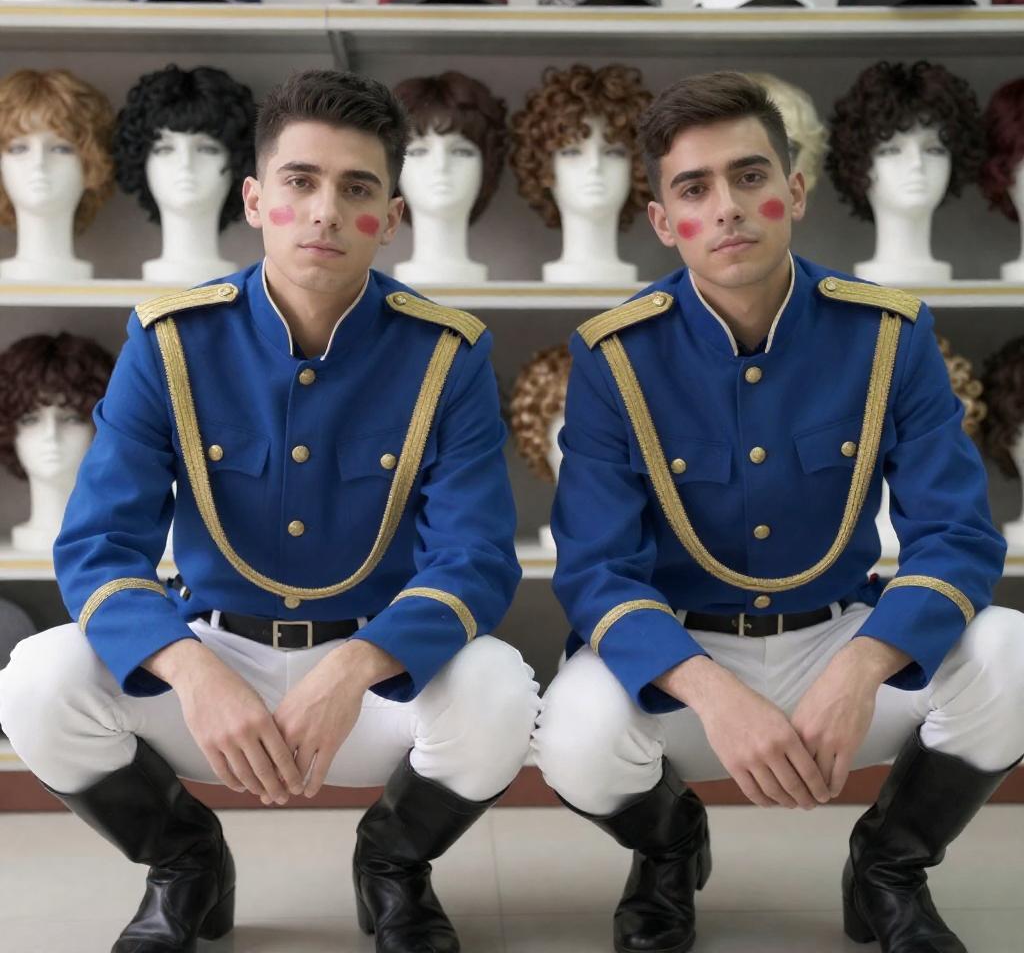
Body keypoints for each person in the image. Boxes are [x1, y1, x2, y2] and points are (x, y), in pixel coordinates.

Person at [0, 68, 540, 953]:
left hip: (374, 683)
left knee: (499, 689)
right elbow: (99, 545)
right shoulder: (171, 343)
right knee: (36, 679)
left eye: (356, 189)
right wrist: (190, 670)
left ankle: (394, 866)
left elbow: (475, 559)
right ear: (255, 200)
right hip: (215, 666)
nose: (325, 211)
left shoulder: (448, 356)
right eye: (301, 181)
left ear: (390, 218)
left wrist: (357, 665)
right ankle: (185, 865)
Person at [531, 70, 1024, 953]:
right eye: (694, 189)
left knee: (1012, 651)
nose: (727, 207)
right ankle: (669, 854)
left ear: (793, 191)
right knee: (574, 735)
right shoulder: (614, 356)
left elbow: (956, 536)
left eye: (750, 176)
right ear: (663, 222)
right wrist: (713, 693)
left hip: (841, 642)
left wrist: (864, 665)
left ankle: (887, 870)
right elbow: (597, 571)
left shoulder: (890, 335)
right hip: (685, 661)